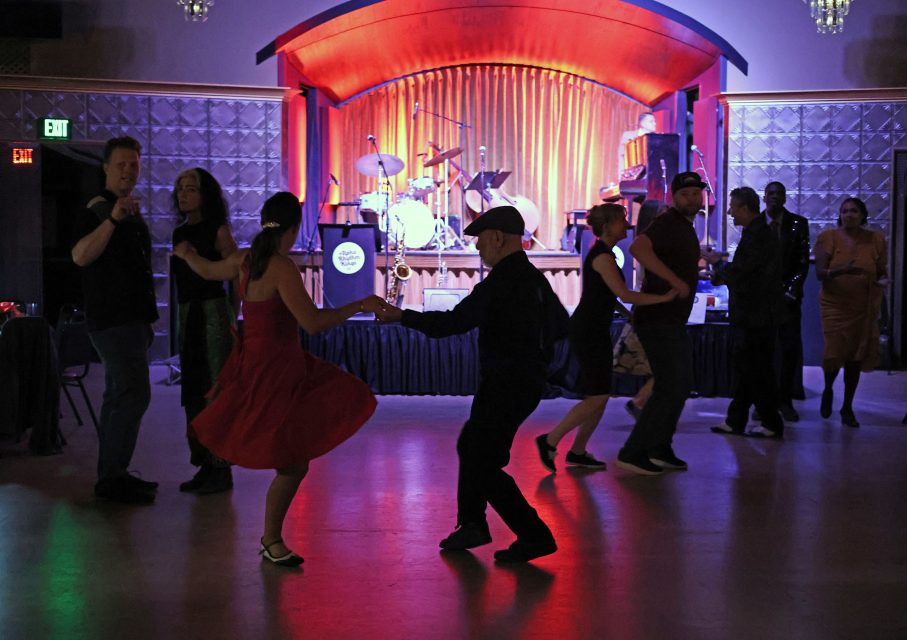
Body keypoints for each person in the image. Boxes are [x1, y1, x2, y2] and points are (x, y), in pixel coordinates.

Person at [173, 192, 383, 566]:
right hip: (278, 369)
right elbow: (313, 323)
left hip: (255, 364)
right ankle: (270, 540)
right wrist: (361, 304)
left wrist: (187, 254)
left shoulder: (245, 260)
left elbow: (206, 270)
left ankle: (272, 540)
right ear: (294, 227)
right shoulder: (281, 267)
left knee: (290, 457)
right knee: (293, 460)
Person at [375, 205, 562, 563]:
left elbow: (454, 323)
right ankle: (473, 524)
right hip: (520, 382)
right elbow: (559, 327)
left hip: (506, 384)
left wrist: (401, 315)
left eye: (480, 241)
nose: (478, 248)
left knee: (483, 462)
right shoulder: (532, 277)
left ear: (496, 238)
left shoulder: (503, 281)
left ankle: (533, 534)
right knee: (473, 447)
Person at [534, 204, 677, 473]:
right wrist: (664, 298)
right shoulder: (603, 257)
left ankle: (577, 452)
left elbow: (607, 295)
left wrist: (627, 314)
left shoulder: (604, 254)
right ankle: (549, 440)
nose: (627, 224)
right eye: (622, 220)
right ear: (609, 226)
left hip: (593, 329)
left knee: (599, 394)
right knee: (598, 395)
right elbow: (625, 293)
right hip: (588, 331)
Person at [72, 136, 159, 504]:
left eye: (134, 164)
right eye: (121, 164)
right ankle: (112, 479)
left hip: (132, 322)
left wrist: (147, 321)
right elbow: (80, 256)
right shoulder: (98, 209)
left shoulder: (129, 211)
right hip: (112, 321)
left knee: (118, 396)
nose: (128, 170)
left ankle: (113, 475)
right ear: (106, 167)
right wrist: (112, 218)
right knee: (133, 395)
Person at [615, 172, 702, 475]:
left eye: (696, 192)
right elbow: (638, 248)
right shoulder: (668, 222)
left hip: (670, 318)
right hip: (658, 319)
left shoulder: (683, 227)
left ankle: (659, 447)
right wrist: (675, 279)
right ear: (674, 197)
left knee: (677, 385)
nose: (692, 198)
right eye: (686, 193)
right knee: (671, 385)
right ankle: (633, 450)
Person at [171, 168, 237, 495]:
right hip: (188, 313)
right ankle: (202, 464)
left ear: (205, 194)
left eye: (191, 189)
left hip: (212, 312)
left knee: (215, 388)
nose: (184, 194)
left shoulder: (218, 230)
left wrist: (234, 312)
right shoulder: (179, 233)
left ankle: (221, 467)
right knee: (193, 389)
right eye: (180, 189)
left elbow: (235, 271)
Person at [703, 187, 785, 439]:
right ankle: (737, 420)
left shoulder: (757, 234)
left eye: (733, 206)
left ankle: (769, 423)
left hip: (755, 315)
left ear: (745, 208)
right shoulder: (758, 232)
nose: (729, 211)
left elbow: (744, 272)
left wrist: (715, 263)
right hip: (756, 314)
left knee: (755, 369)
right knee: (750, 369)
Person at [814, 197, 888, 428]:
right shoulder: (829, 237)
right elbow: (820, 273)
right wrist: (841, 270)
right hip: (835, 306)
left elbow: (881, 272)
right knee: (833, 353)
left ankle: (847, 406)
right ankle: (827, 389)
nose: (849, 215)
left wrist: (884, 282)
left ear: (863, 215)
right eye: (844, 211)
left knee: (855, 356)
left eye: (854, 211)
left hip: (863, 307)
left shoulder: (876, 240)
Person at [761, 181, 810, 422]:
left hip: (788, 299)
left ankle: (785, 400)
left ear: (785, 198)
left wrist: (791, 291)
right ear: (764, 197)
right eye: (771, 193)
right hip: (762, 300)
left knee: (789, 349)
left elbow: (801, 263)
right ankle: (763, 403)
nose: (775, 197)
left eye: (780, 193)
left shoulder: (798, 224)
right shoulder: (756, 224)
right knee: (763, 352)